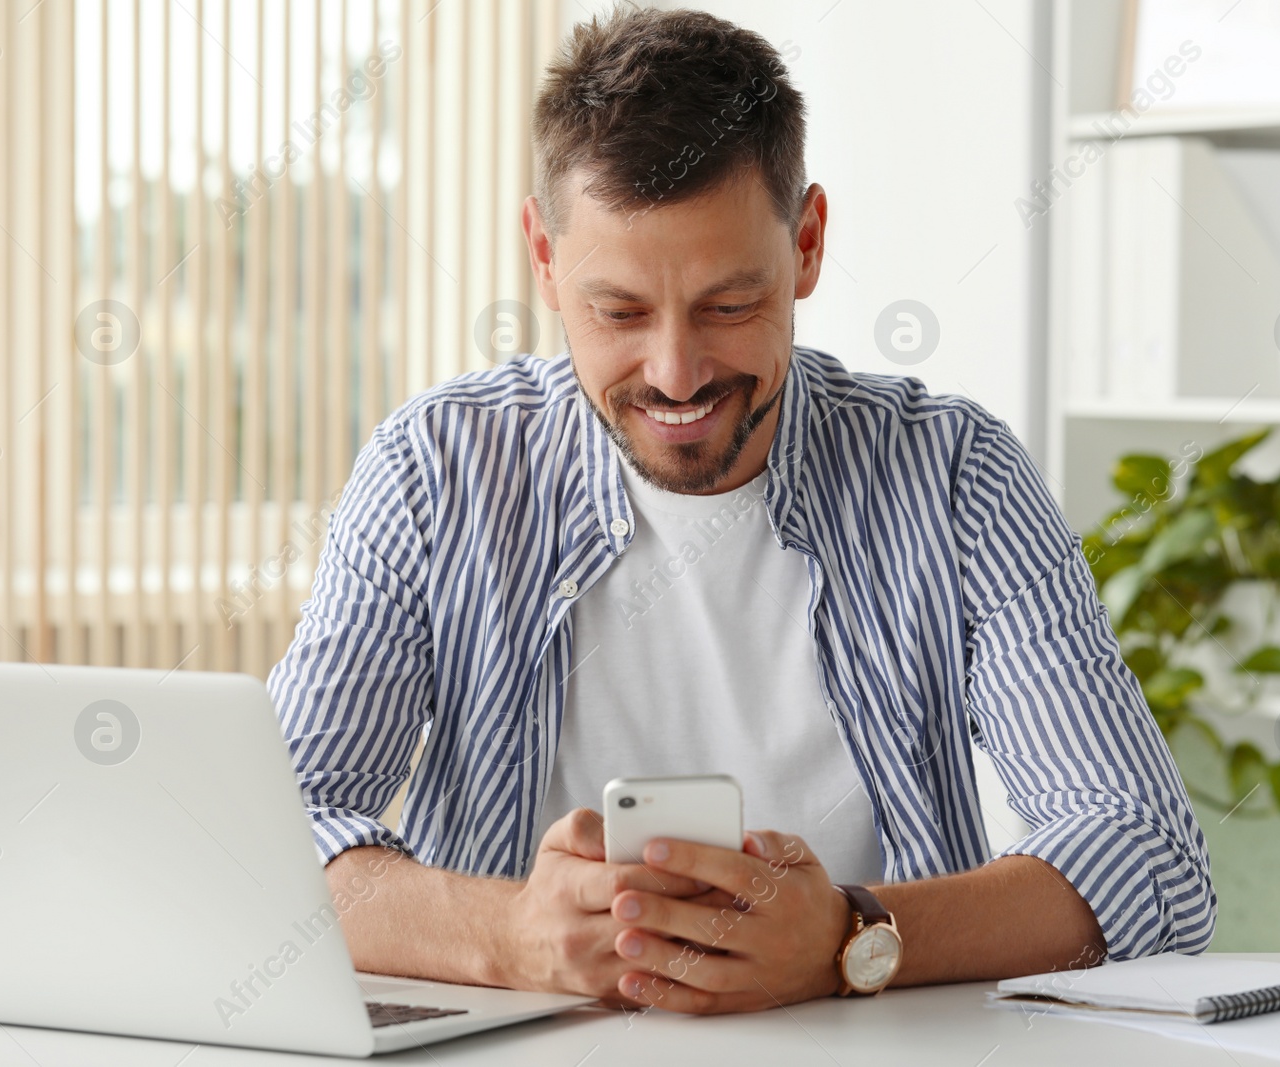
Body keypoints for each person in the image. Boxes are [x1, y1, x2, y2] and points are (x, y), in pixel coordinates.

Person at [267, 6, 1214, 1016]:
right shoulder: (434, 472)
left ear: (805, 244)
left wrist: (852, 933)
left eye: (727, 303)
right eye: (620, 311)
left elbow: (1146, 852)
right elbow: (273, 838)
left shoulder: (954, 476)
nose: (675, 372)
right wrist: (509, 934)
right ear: (543, 256)